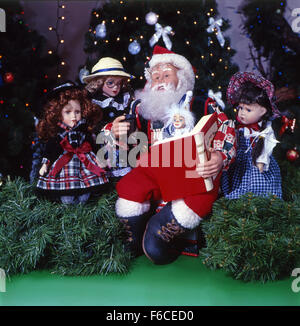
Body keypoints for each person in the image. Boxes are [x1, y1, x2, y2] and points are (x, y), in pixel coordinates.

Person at [115, 45, 236, 264]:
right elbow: (123, 134)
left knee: (201, 196)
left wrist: (219, 156)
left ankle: (160, 232)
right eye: (156, 76)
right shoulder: (143, 109)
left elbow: (225, 127)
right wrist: (116, 131)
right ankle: (132, 235)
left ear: (181, 79)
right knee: (130, 188)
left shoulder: (202, 104)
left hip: (192, 171)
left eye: (166, 75)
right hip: (154, 170)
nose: (160, 81)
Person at [36, 82, 109, 204]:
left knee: (85, 194)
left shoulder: (84, 131)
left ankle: (82, 201)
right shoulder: (58, 135)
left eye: (77, 112)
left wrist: (99, 159)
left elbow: (92, 145)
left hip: (84, 163)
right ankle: (68, 203)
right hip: (65, 165)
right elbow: (50, 150)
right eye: (68, 112)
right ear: (58, 113)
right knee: (67, 197)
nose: (74, 116)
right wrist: (45, 164)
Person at [221, 72, 282, 199]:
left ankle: (257, 198)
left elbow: (265, 148)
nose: (242, 113)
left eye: (248, 110)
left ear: (263, 111)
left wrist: (261, 162)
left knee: (255, 182)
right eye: (240, 108)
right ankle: (235, 195)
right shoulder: (239, 127)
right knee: (234, 179)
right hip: (240, 163)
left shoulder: (264, 131)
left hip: (256, 163)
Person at [82, 57, 135, 178]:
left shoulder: (125, 99)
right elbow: (92, 126)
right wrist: (108, 129)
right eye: (110, 83)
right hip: (103, 141)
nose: (116, 87)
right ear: (99, 83)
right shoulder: (95, 103)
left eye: (119, 83)